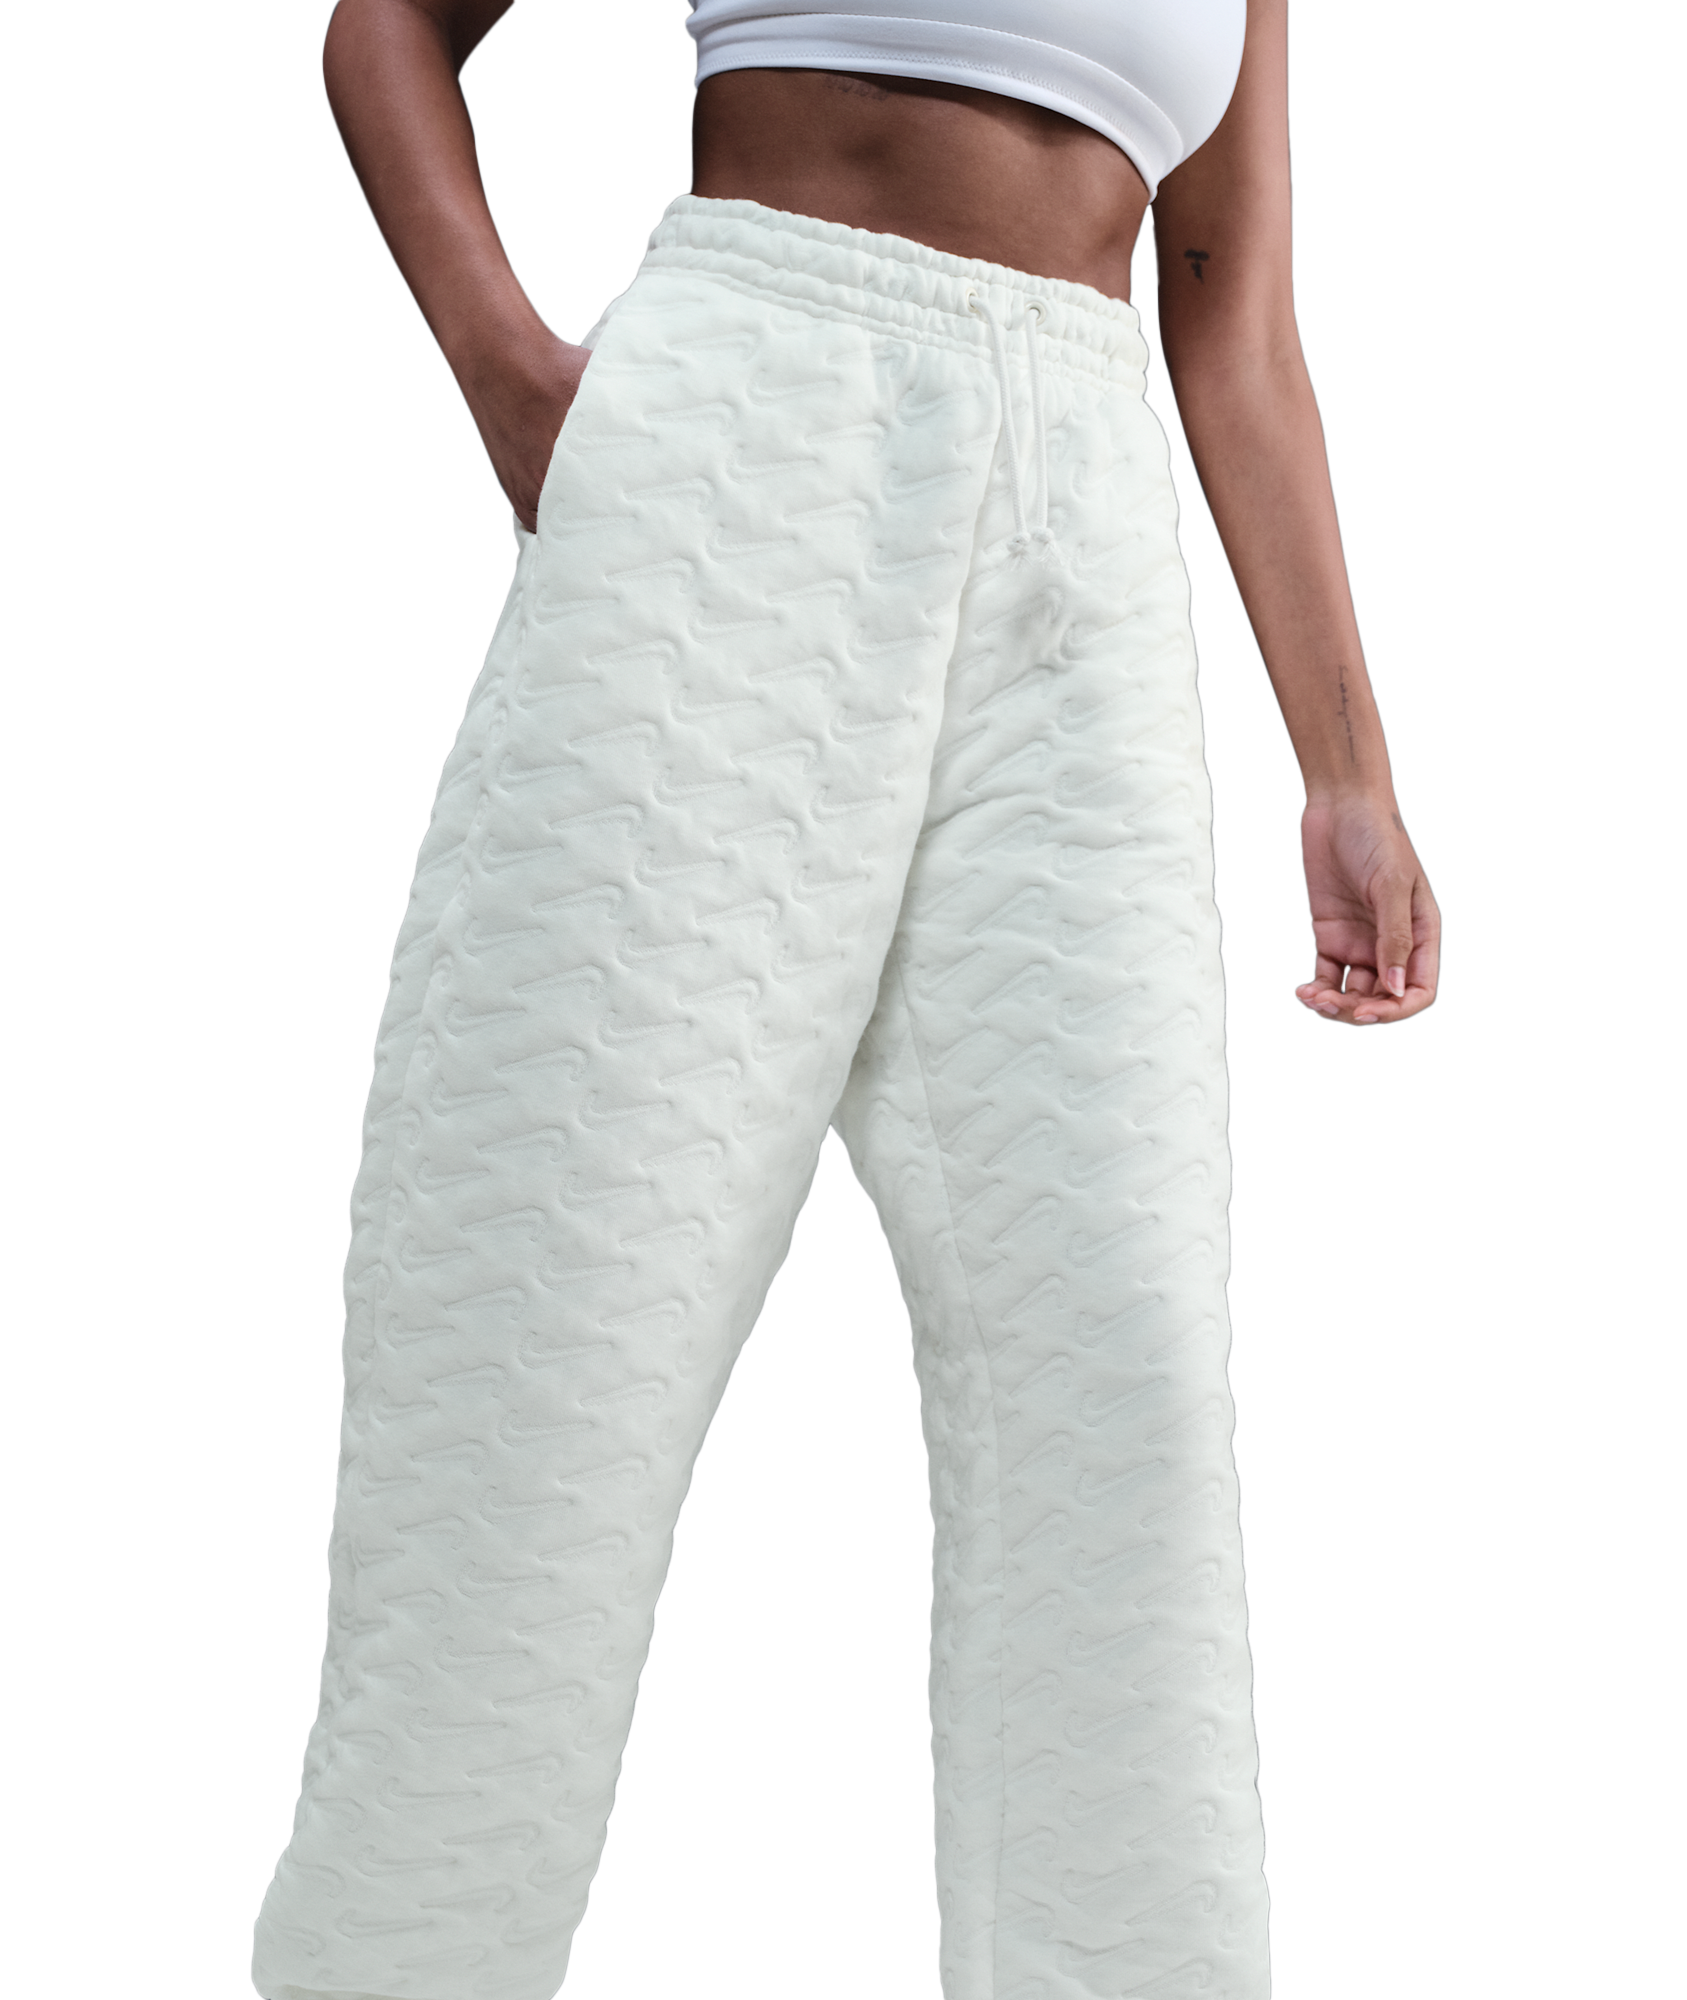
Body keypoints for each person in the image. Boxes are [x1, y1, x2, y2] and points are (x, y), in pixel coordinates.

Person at [253, 2, 1442, 1996]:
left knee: (1124, 1379)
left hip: (1081, 543)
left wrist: (1350, 774)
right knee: (544, 1343)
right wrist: (499, 361)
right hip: (747, 447)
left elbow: (1237, 325)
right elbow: (392, 21)